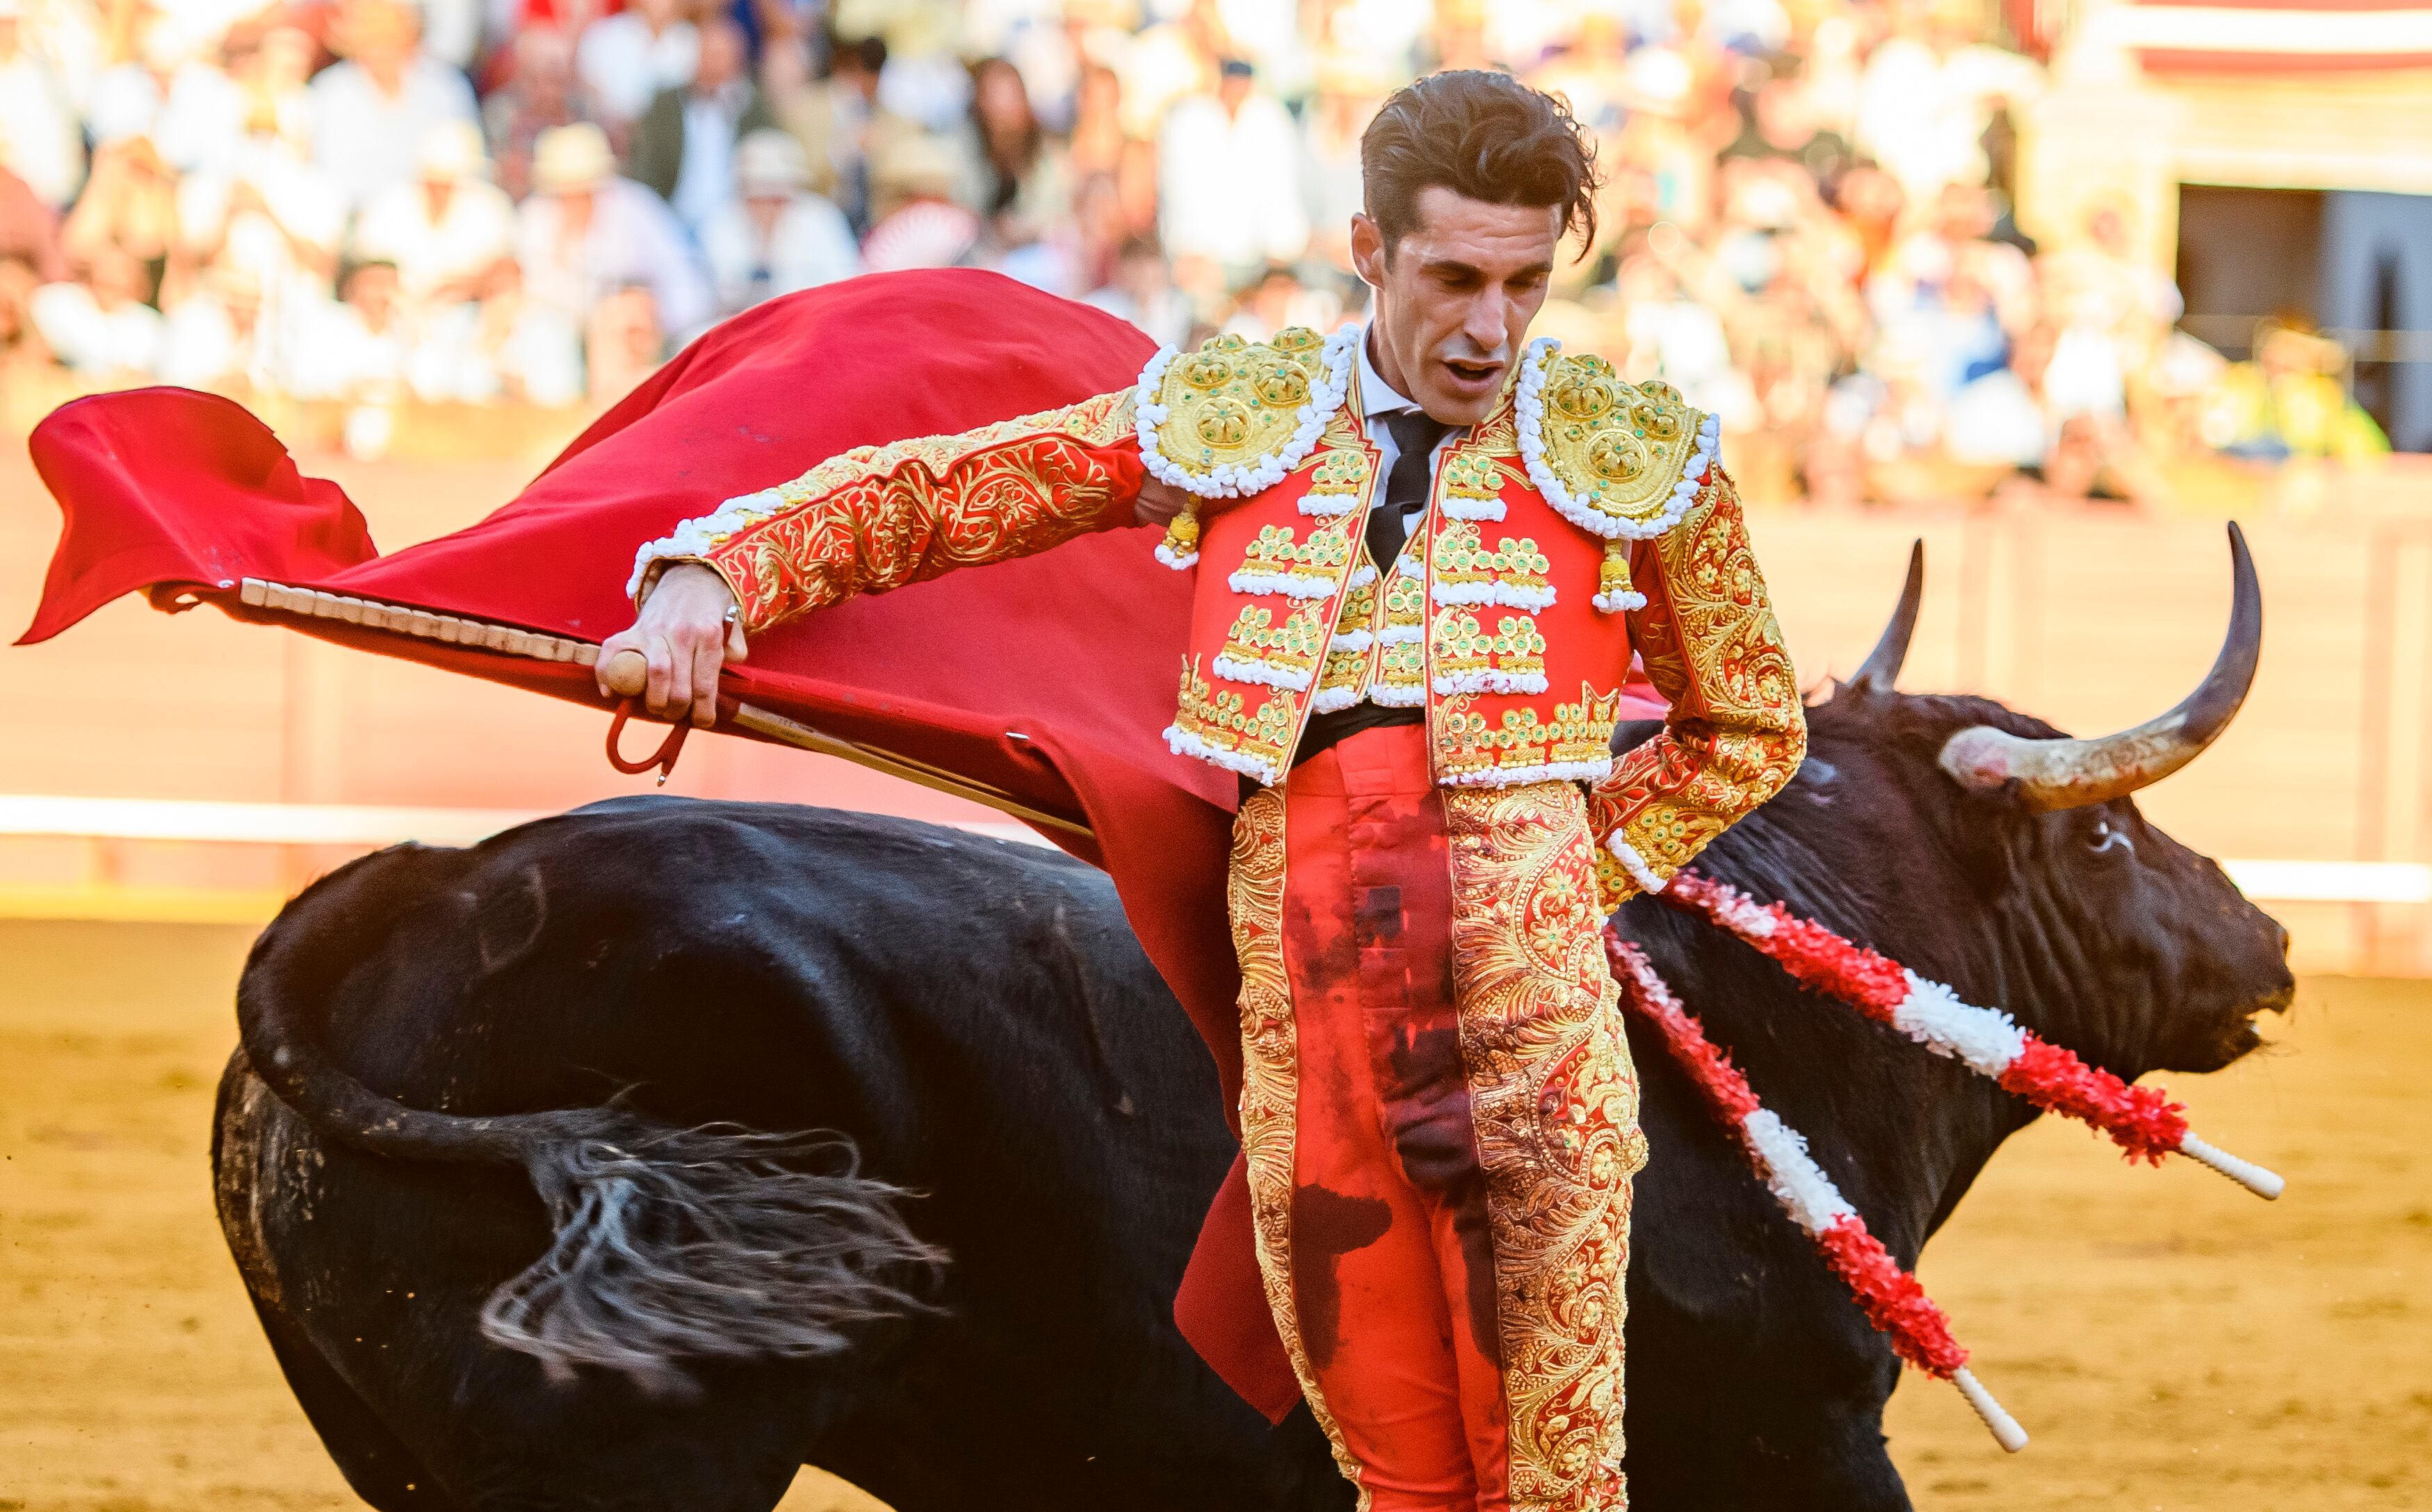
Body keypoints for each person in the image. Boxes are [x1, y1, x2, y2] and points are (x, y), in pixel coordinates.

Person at [601, 70, 1804, 1511]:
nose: (1491, 328)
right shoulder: (1248, 417)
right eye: (1455, 278)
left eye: (1527, 282)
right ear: (1369, 248)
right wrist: (714, 574)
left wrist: (1556, 864)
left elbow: (1749, 722)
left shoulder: (1634, 452)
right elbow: (950, 490)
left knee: (1556, 1479)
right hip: (1318, 1034)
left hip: (1528, 1046)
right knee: (1402, 1472)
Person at [515, 122, 711, 355]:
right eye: (566, 189)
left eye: (583, 188)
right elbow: (526, 289)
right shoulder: (535, 217)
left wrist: (651, 319)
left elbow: (683, 280)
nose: (575, 198)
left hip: (637, 334)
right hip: (560, 338)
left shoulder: (636, 209)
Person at [307, 0, 480, 212]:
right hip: (362, 223)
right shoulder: (330, 92)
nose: (377, 38)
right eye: (367, 25)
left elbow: (469, 167)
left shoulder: (447, 88)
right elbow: (334, 178)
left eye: (384, 26)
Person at [624, 14, 777, 238]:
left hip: (735, 226)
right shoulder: (665, 103)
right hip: (672, 218)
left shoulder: (752, 106)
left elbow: (770, 155)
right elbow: (645, 166)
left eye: (723, 57)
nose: (714, 65)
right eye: (709, 55)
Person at [697, 129, 860, 316]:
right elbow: (712, 294)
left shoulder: (821, 219)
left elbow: (845, 284)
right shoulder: (720, 222)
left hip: (807, 322)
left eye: (775, 195)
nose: (767, 204)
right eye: (758, 194)